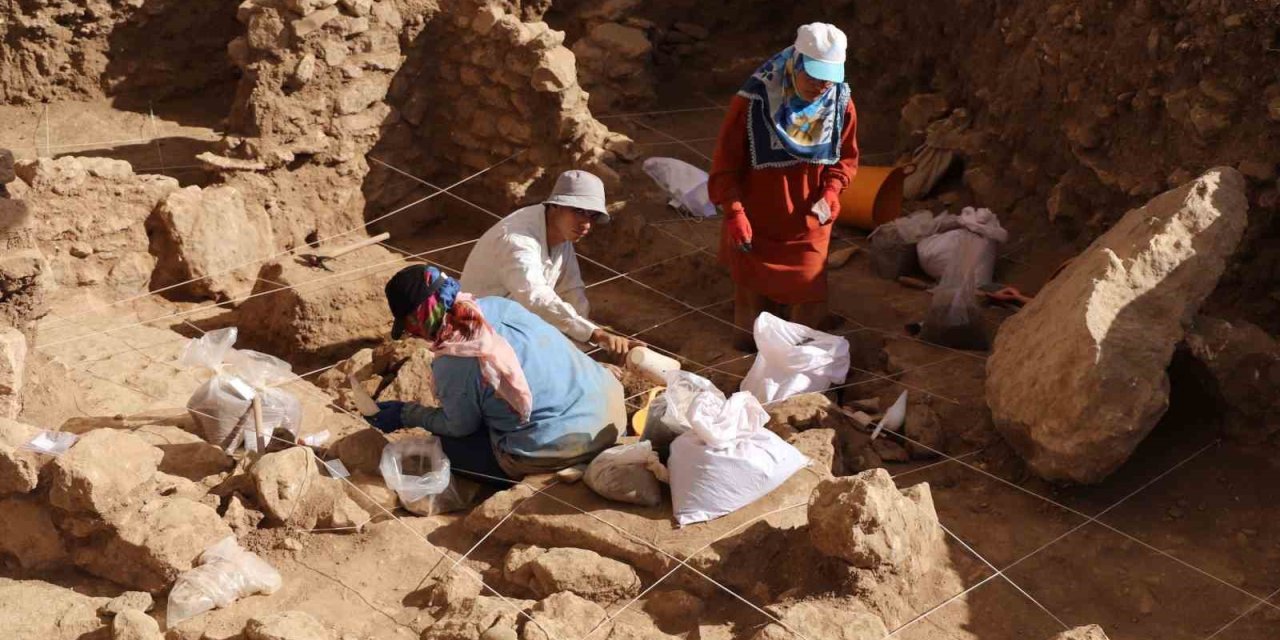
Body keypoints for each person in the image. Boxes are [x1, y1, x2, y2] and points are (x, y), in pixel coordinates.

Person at [367, 265, 626, 483]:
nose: (411, 333)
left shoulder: (455, 359)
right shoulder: (499, 305)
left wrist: (407, 413)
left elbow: (459, 426)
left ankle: (551, 466)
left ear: (420, 315)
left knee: (443, 447)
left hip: (561, 445)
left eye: (409, 325)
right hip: (610, 412)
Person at [708, 23, 859, 337]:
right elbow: (726, 164)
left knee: (806, 317)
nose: (821, 86)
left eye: (828, 79)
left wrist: (832, 191)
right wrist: (734, 211)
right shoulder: (754, 102)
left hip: (809, 222)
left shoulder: (840, 103)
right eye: (814, 75)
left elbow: (845, 157)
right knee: (748, 332)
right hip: (756, 217)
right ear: (796, 62)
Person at [460, 169, 637, 357]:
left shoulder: (561, 232)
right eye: (578, 211)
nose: (586, 224)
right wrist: (595, 333)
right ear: (555, 206)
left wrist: (587, 345)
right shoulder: (517, 239)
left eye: (592, 215)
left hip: (517, 325)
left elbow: (571, 290)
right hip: (477, 331)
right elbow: (535, 297)